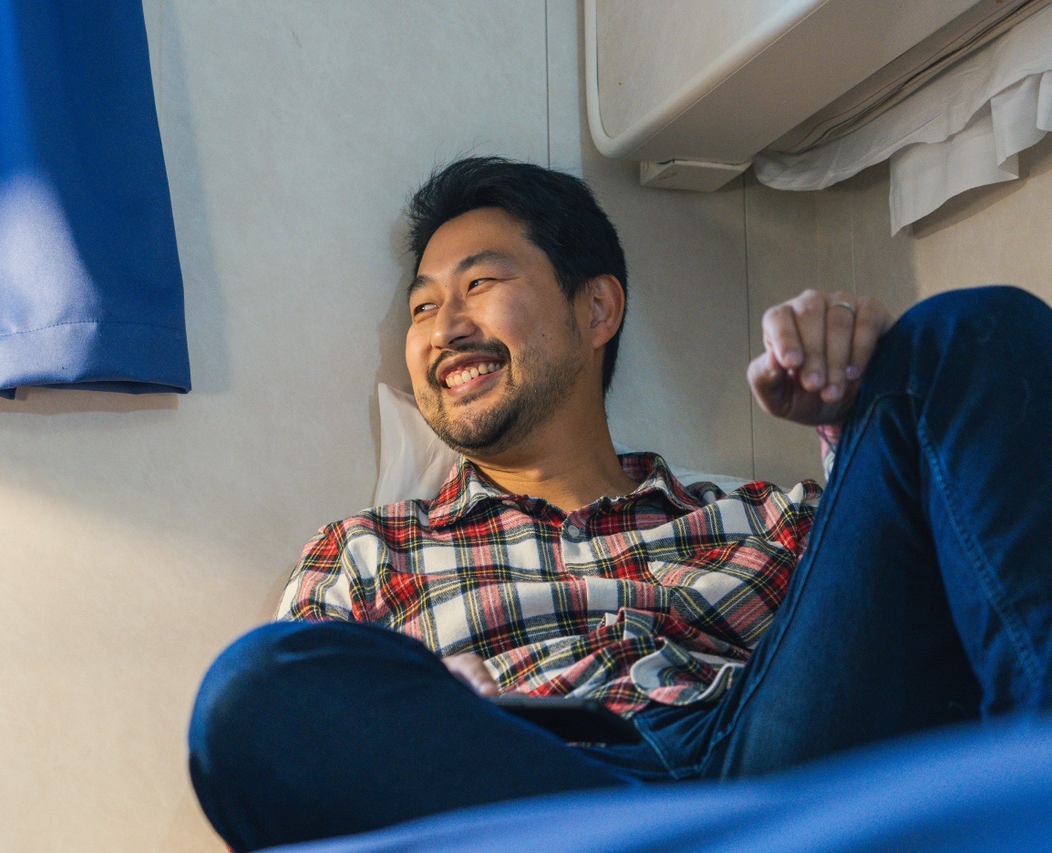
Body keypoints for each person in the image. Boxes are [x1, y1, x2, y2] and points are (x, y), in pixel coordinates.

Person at [188, 157, 1052, 852]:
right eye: (422, 306)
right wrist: (420, 700)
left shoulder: (768, 516)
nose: (441, 325)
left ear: (596, 306)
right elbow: (293, 762)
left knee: (965, 334)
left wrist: (852, 421)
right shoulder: (369, 554)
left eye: (478, 284)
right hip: (548, 791)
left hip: (781, 769)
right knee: (250, 690)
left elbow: (918, 611)